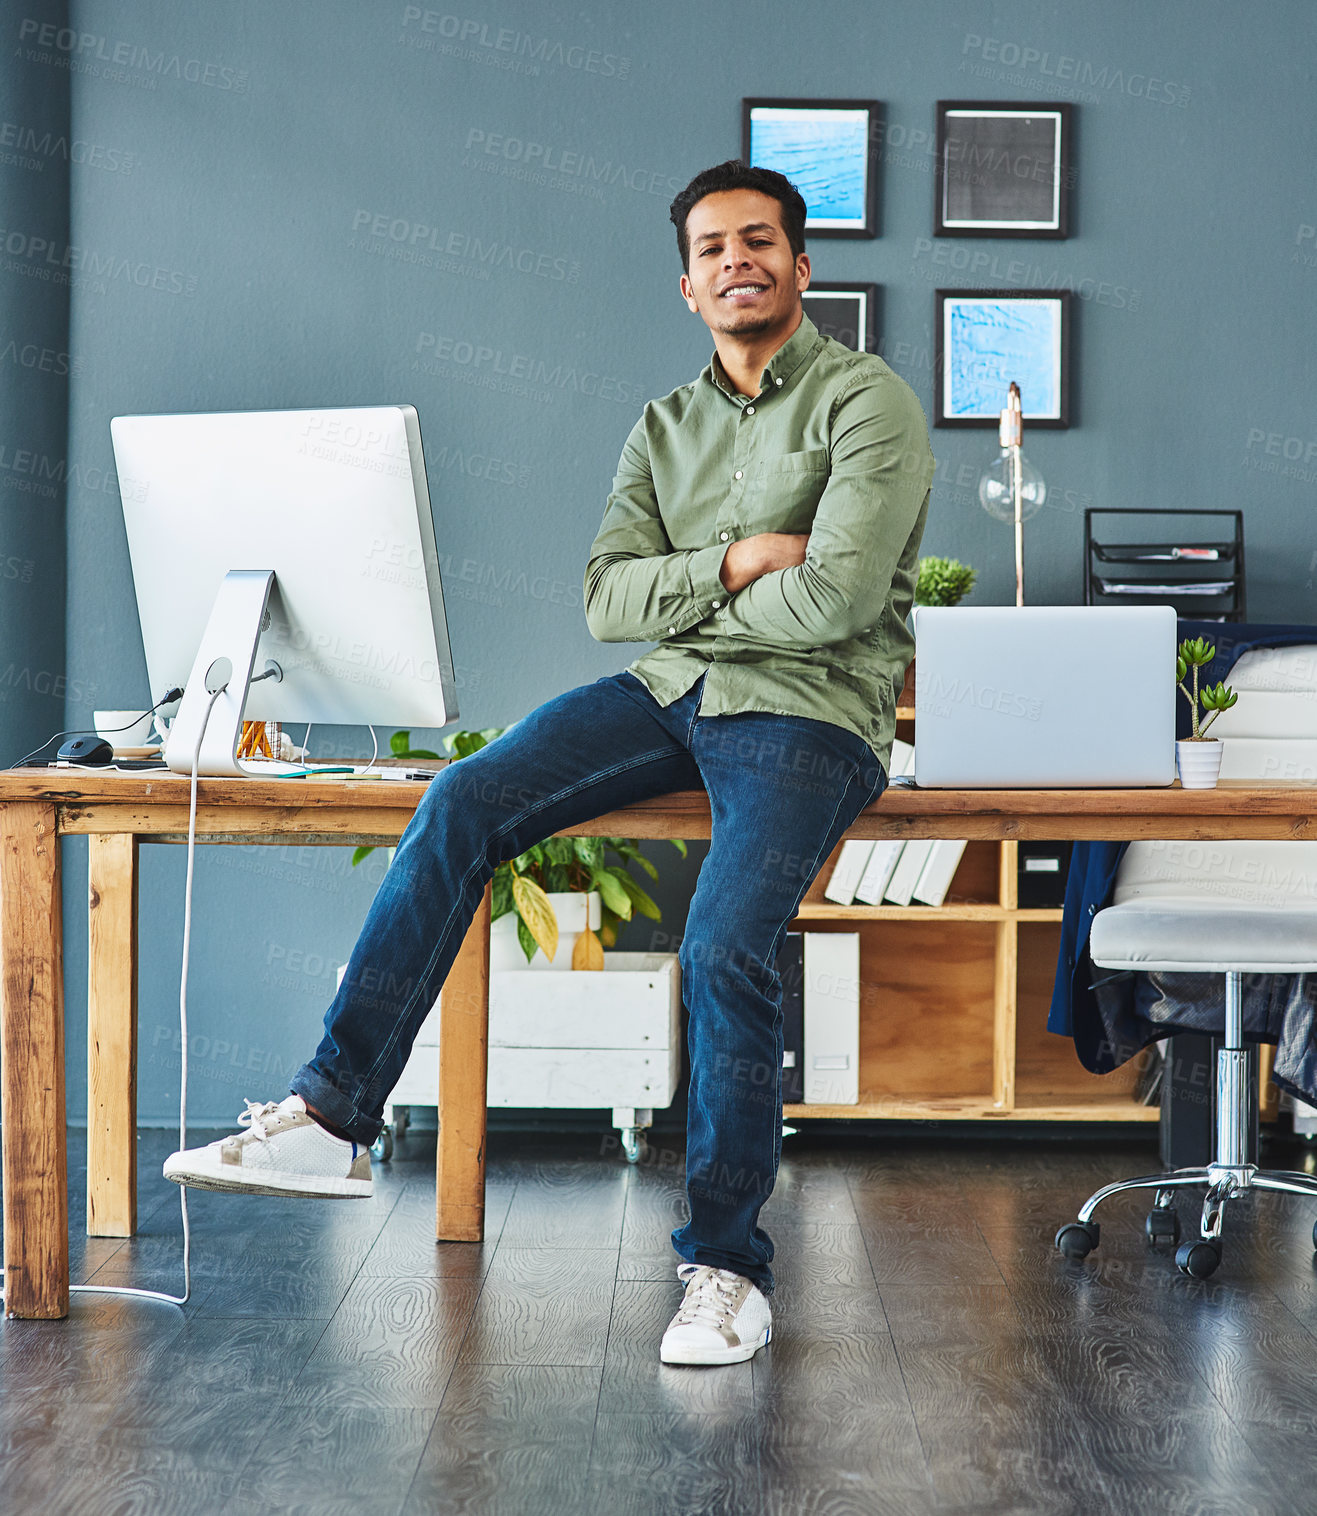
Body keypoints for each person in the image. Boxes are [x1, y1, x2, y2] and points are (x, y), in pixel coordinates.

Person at [164, 159, 934, 1367]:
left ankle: (726, 1268)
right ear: (686, 285)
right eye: (715, 247)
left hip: (808, 712)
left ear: (800, 264)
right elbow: (601, 602)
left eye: (760, 241)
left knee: (725, 945)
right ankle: (330, 1112)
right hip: (667, 693)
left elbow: (836, 603)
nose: (739, 260)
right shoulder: (662, 426)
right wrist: (736, 563)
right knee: (465, 797)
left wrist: (694, 596)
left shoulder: (866, 403)